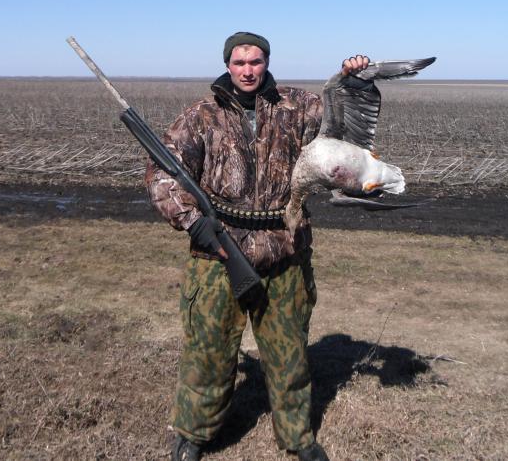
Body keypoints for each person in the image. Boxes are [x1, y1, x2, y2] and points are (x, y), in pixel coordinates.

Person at [145, 31, 370, 461]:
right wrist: (194, 224)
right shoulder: (200, 116)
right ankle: (193, 434)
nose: (247, 71)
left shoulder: (299, 107)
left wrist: (353, 79)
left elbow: (344, 127)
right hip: (218, 251)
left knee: (289, 354)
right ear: (227, 65)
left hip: (285, 249)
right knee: (208, 351)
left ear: (266, 62)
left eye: (255, 61)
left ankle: (298, 437)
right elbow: (161, 173)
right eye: (239, 62)